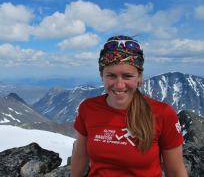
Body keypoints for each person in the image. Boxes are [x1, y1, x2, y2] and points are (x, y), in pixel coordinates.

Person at [71, 35, 188, 177]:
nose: (119, 85)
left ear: (139, 77)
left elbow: (175, 171)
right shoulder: (88, 108)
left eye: (127, 76)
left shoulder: (162, 114)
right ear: (102, 75)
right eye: (111, 76)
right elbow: (80, 156)